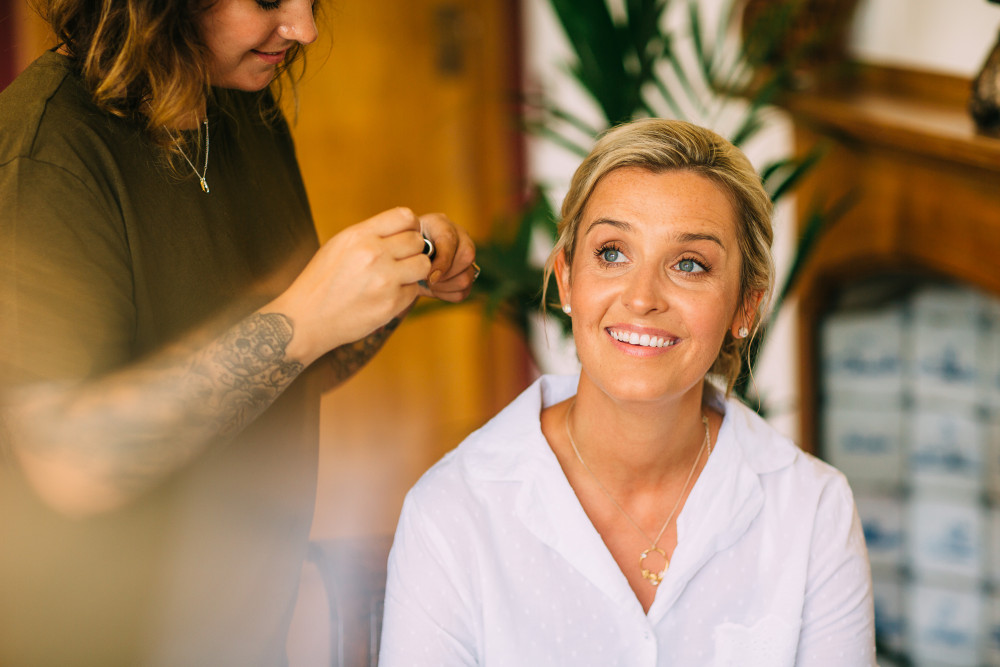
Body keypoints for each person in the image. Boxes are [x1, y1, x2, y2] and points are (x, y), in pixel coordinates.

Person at [0, 0, 476, 664]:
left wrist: (393, 284)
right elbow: (74, 462)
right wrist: (306, 316)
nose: (304, 29)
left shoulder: (242, 109)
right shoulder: (49, 152)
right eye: (267, 2)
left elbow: (287, 366)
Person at [379, 118, 875, 665]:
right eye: (612, 253)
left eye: (690, 264)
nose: (642, 298)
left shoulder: (812, 511)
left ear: (744, 309)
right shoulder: (453, 511)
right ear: (567, 279)